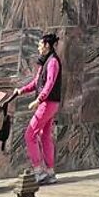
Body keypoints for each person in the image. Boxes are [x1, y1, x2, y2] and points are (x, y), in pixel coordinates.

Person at [16, 32, 63, 183]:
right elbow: (37, 83)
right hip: (49, 103)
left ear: (47, 45)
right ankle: (49, 172)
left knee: (30, 134)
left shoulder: (53, 62)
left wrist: (38, 100)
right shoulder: (45, 62)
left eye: (40, 44)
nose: (38, 47)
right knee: (45, 136)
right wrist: (21, 90)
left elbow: (50, 83)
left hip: (47, 103)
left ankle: (38, 171)